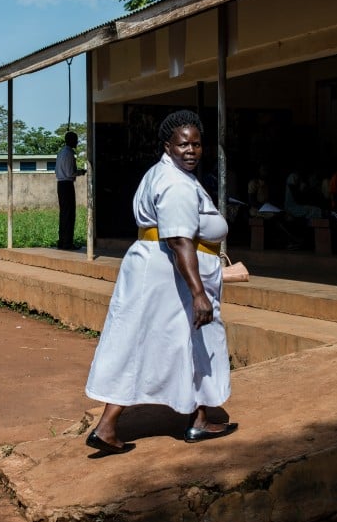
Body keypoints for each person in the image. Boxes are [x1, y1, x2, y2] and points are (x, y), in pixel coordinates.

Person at [84, 110, 237, 454]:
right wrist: (199, 292)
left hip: (158, 270)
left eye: (197, 144)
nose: (191, 150)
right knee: (177, 340)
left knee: (163, 342)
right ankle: (122, 425)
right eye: (183, 143)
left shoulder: (165, 174)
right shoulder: (175, 183)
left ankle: (185, 419)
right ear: (167, 145)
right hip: (171, 275)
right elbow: (180, 239)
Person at [55, 131, 84, 250]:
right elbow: (70, 172)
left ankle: (62, 241)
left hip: (61, 184)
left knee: (64, 214)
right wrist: (81, 172)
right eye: (76, 139)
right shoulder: (69, 154)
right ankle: (67, 243)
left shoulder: (61, 152)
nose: (77, 142)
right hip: (67, 184)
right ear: (71, 140)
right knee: (69, 214)